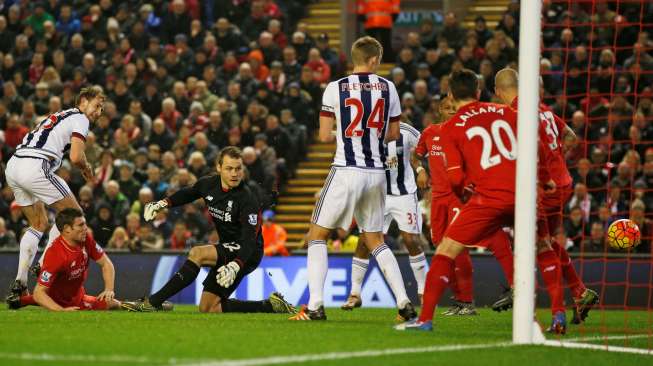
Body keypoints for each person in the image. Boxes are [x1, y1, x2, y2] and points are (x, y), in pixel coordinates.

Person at [290, 36, 416, 321]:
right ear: (374, 60)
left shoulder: (335, 88)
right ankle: (404, 302)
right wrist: (370, 135)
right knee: (375, 240)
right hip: (376, 173)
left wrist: (349, 134)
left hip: (346, 169)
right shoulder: (389, 87)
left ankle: (315, 306)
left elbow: (323, 135)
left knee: (317, 235)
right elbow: (394, 135)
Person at [396, 69, 524, 331]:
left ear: (453, 97)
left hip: (467, 196)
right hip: (447, 199)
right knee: (445, 245)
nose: (449, 110)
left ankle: (454, 306)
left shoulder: (456, 129)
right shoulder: (433, 132)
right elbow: (416, 155)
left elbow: (457, 178)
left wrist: (466, 193)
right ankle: (533, 303)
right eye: (444, 108)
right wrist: (420, 170)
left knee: (457, 247)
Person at [121, 147, 295, 314]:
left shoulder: (248, 199)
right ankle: (269, 306)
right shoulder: (208, 184)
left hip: (247, 253)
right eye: (229, 168)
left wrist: (236, 265)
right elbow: (188, 193)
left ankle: (152, 302)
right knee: (209, 308)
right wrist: (162, 204)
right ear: (219, 168)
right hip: (227, 247)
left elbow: (250, 240)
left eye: (238, 169)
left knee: (197, 253)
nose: (234, 173)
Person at [492, 68, 598, 327]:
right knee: (547, 241)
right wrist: (556, 158)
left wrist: (544, 167)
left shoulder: (515, 113)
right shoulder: (543, 110)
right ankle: (579, 291)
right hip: (562, 183)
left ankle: (557, 313)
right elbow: (570, 137)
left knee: (540, 246)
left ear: (497, 92)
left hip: (544, 187)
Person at [5, 86, 104, 302]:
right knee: (75, 214)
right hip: (36, 165)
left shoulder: (59, 115)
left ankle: (20, 283)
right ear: (84, 101)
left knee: (38, 223)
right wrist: (86, 167)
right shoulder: (81, 118)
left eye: (101, 109)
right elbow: (77, 156)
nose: (98, 112)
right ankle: (42, 263)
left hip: (14, 165)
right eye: (97, 106)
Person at [340, 122, 428, 310]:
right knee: (364, 242)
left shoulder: (407, 131)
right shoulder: (364, 131)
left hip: (403, 194)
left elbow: (422, 149)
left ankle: (423, 289)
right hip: (375, 195)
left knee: (411, 240)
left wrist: (420, 169)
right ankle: (355, 293)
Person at [6, 209, 122, 311]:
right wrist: (61, 310)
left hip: (76, 294)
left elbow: (106, 264)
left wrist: (109, 289)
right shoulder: (56, 254)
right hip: (63, 301)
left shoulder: (86, 239)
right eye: (81, 225)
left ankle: (22, 301)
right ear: (67, 229)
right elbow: (39, 292)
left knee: (112, 302)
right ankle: (23, 299)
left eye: (85, 224)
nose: (85, 228)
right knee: (113, 304)